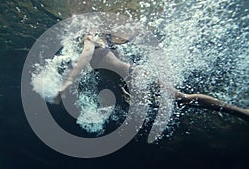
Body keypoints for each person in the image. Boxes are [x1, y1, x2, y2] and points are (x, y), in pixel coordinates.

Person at [54, 32, 249, 121]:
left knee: (183, 98)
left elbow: (86, 54)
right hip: (133, 78)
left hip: (137, 76)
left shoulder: (91, 37)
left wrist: (68, 81)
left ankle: (239, 111)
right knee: (178, 102)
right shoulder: (103, 39)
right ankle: (234, 111)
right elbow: (114, 62)